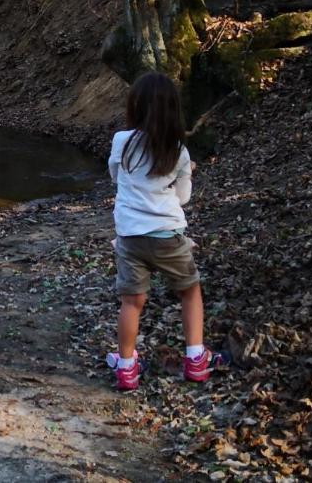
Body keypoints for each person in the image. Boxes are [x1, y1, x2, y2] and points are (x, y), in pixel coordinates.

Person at [106, 72, 222, 391]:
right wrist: (187, 174)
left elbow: (117, 178)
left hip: (129, 237)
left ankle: (127, 367)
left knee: (133, 302)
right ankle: (196, 360)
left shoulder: (121, 142)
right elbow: (183, 198)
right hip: (168, 235)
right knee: (189, 291)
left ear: (135, 108)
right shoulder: (179, 151)